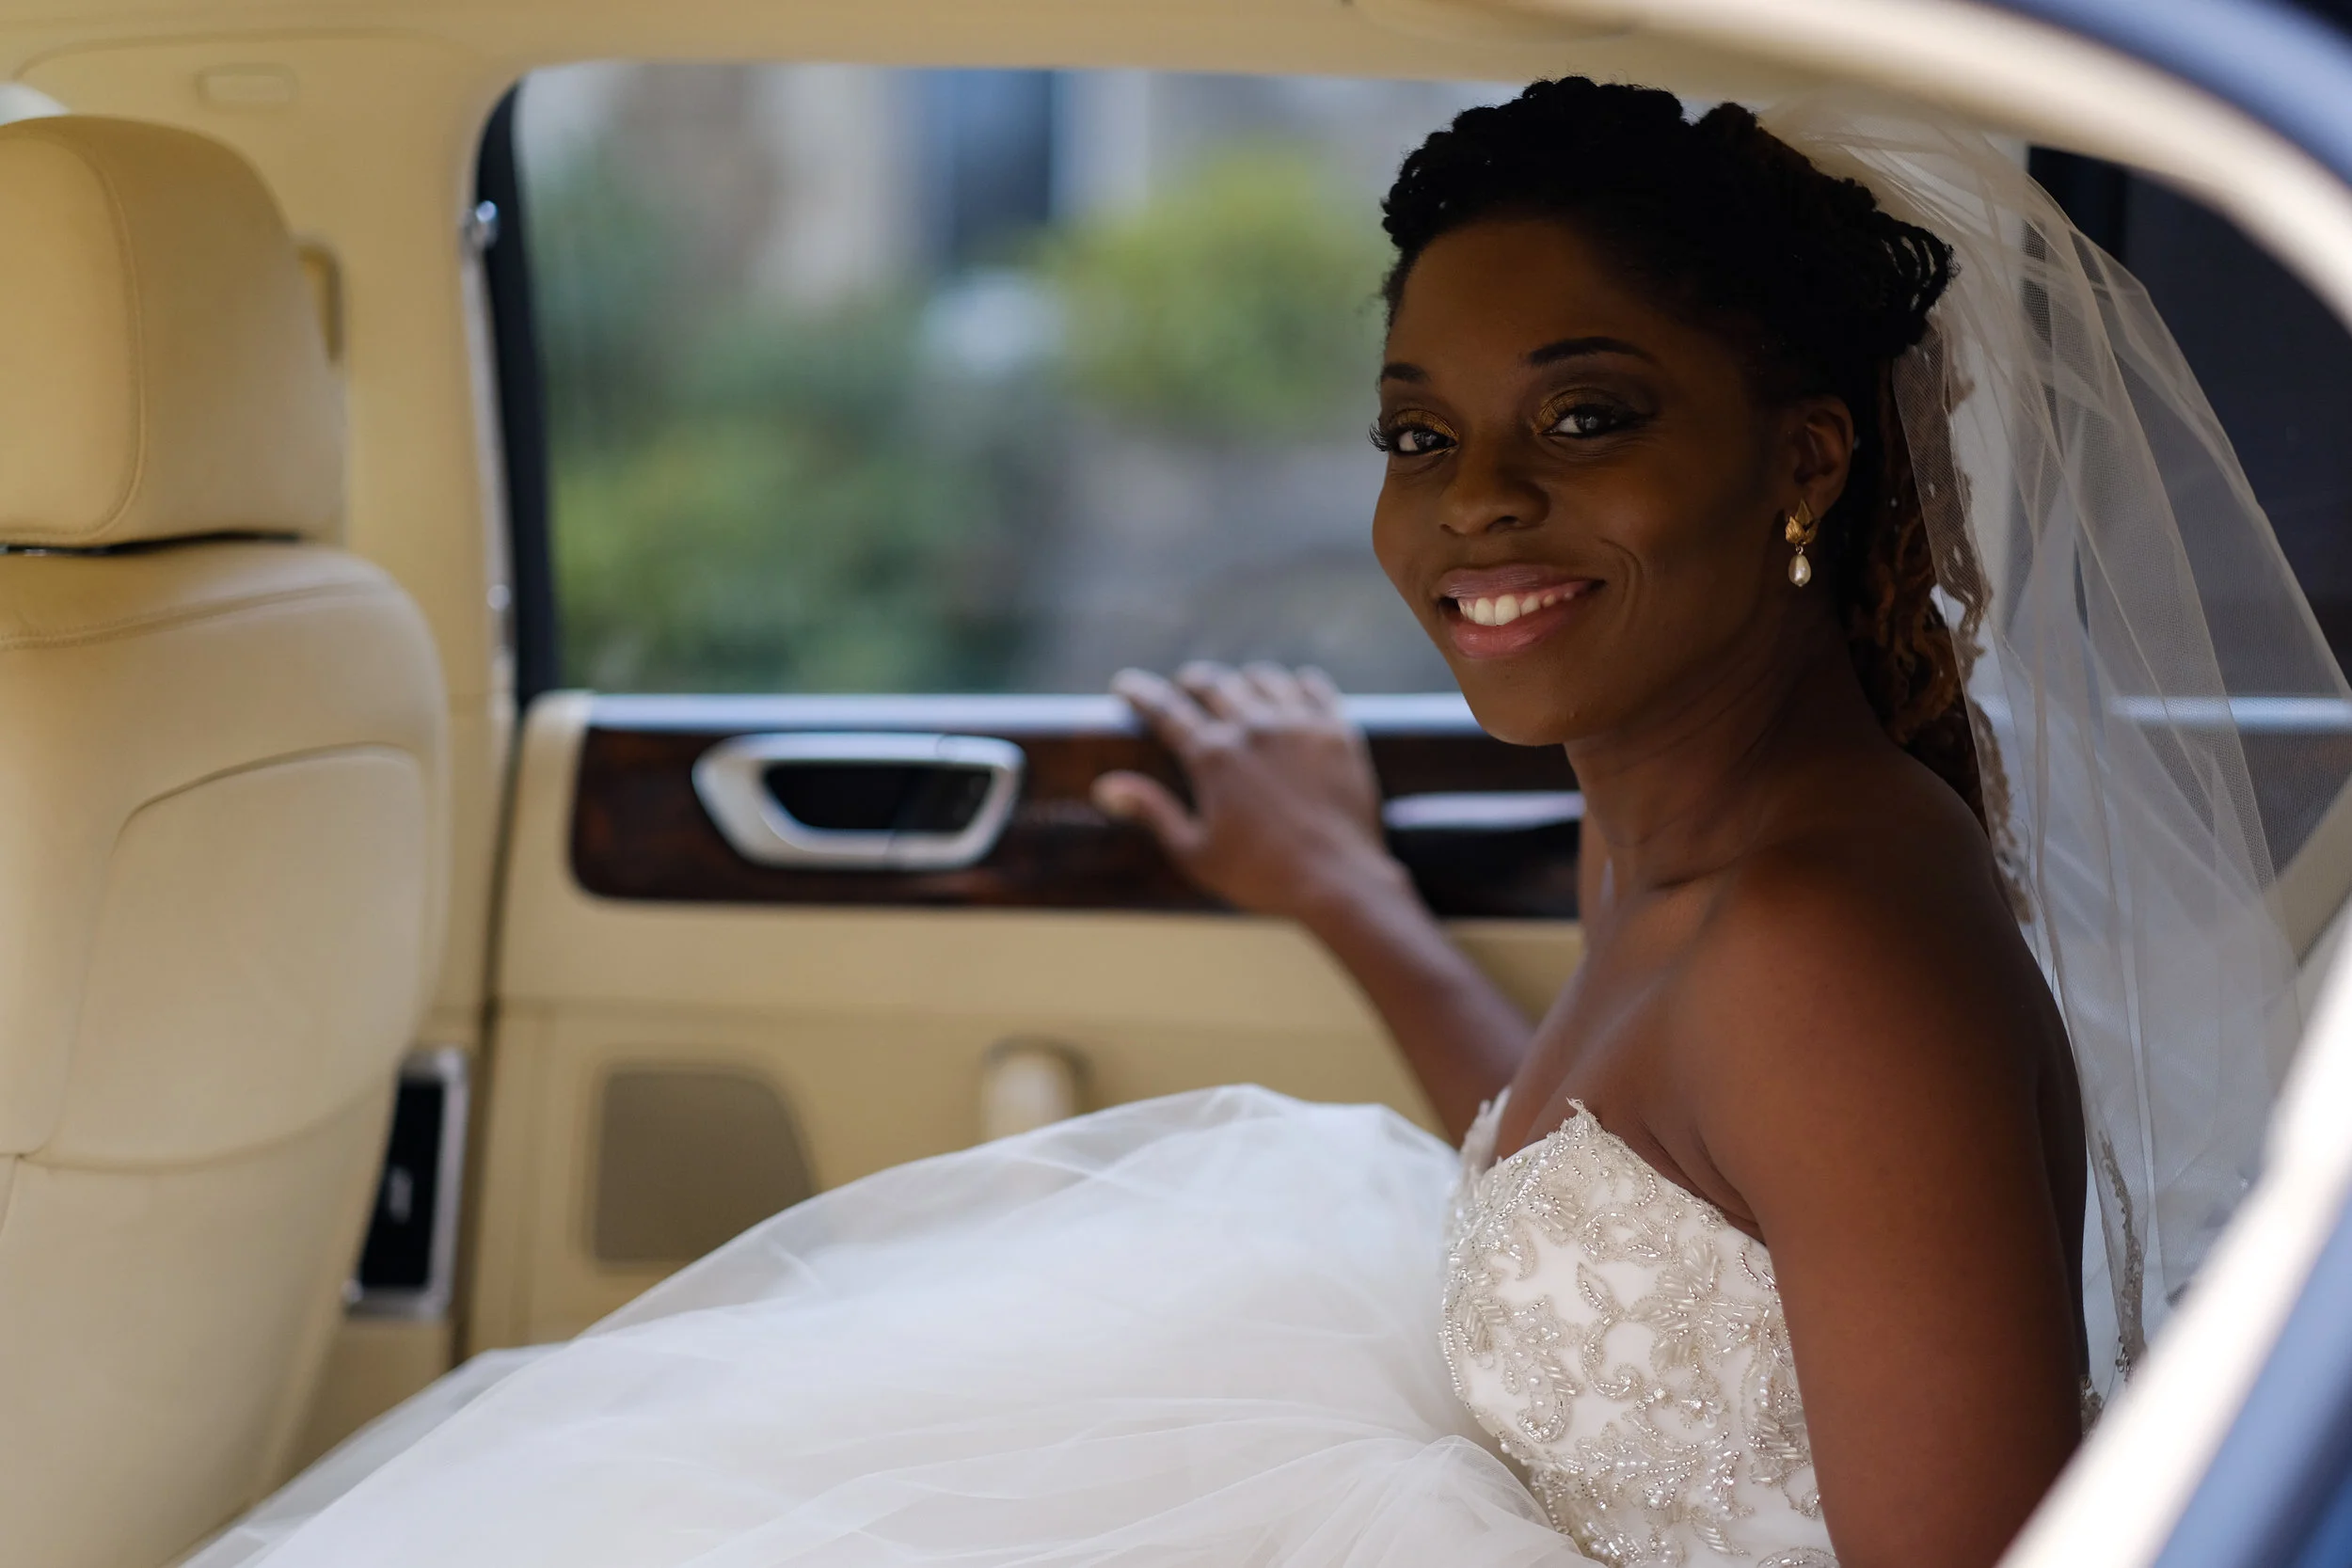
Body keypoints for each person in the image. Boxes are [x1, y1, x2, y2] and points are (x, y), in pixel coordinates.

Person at [193, 81, 2328, 1568]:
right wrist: (1340, 890)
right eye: (1418, 434)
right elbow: (1641, 1177)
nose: (1477, 501)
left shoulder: (1827, 938)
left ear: (1803, 460)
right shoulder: (1678, 817)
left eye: (1583, 415)